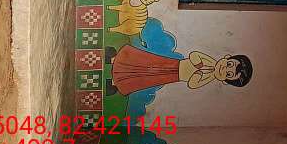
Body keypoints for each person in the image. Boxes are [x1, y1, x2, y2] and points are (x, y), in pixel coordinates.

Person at [105, 45, 252, 97]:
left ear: (225, 81)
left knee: (147, 78)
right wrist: (201, 64)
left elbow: (192, 84)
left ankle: (117, 83)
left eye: (228, 74)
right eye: (229, 64)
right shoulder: (210, 61)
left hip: (173, 76)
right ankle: (114, 59)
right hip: (172, 64)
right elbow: (194, 55)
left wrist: (205, 75)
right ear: (226, 57)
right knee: (145, 62)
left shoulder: (210, 77)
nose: (224, 69)